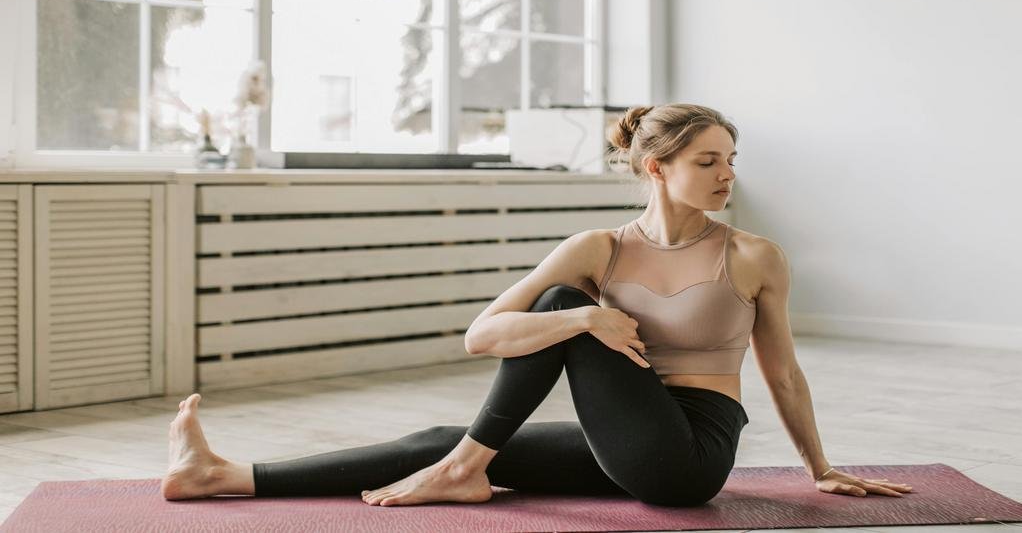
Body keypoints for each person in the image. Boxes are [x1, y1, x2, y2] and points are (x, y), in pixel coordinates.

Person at [160, 103, 913, 505]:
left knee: (555, 307)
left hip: (690, 453)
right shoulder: (600, 249)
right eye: (707, 160)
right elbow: (482, 335)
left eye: (730, 160)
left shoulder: (753, 255)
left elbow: (783, 374)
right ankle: (221, 476)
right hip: (624, 439)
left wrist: (819, 466)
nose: (726, 174)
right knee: (443, 425)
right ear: (657, 167)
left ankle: (464, 465)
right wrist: (584, 314)